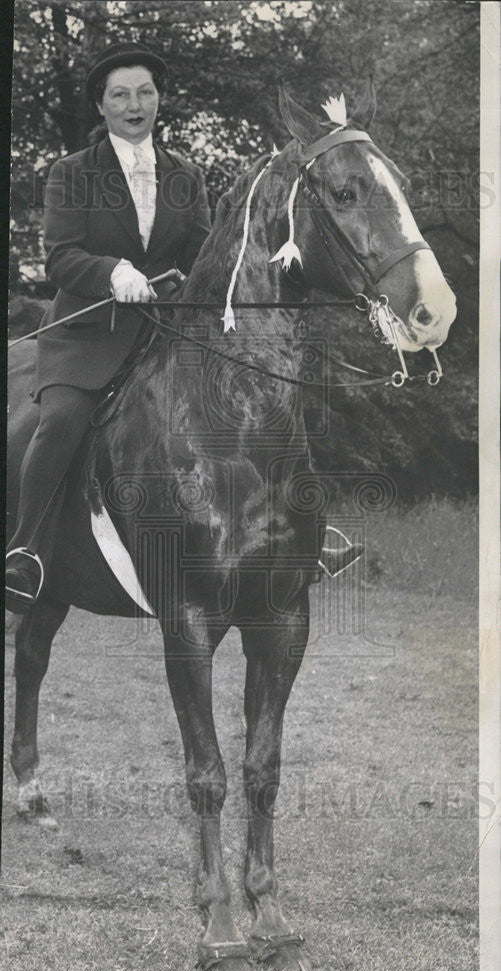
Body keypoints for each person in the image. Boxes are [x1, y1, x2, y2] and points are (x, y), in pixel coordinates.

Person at [6, 40, 361, 612]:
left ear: (159, 100)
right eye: (120, 95)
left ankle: (303, 541)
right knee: (63, 419)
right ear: (101, 106)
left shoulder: (185, 173)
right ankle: (25, 552)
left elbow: (202, 253)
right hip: (89, 335)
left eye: (145, 92)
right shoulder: (70, 173)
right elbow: (60, 256)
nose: (134, 104)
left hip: (166, 332)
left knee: (267, 404)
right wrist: (112, 271)